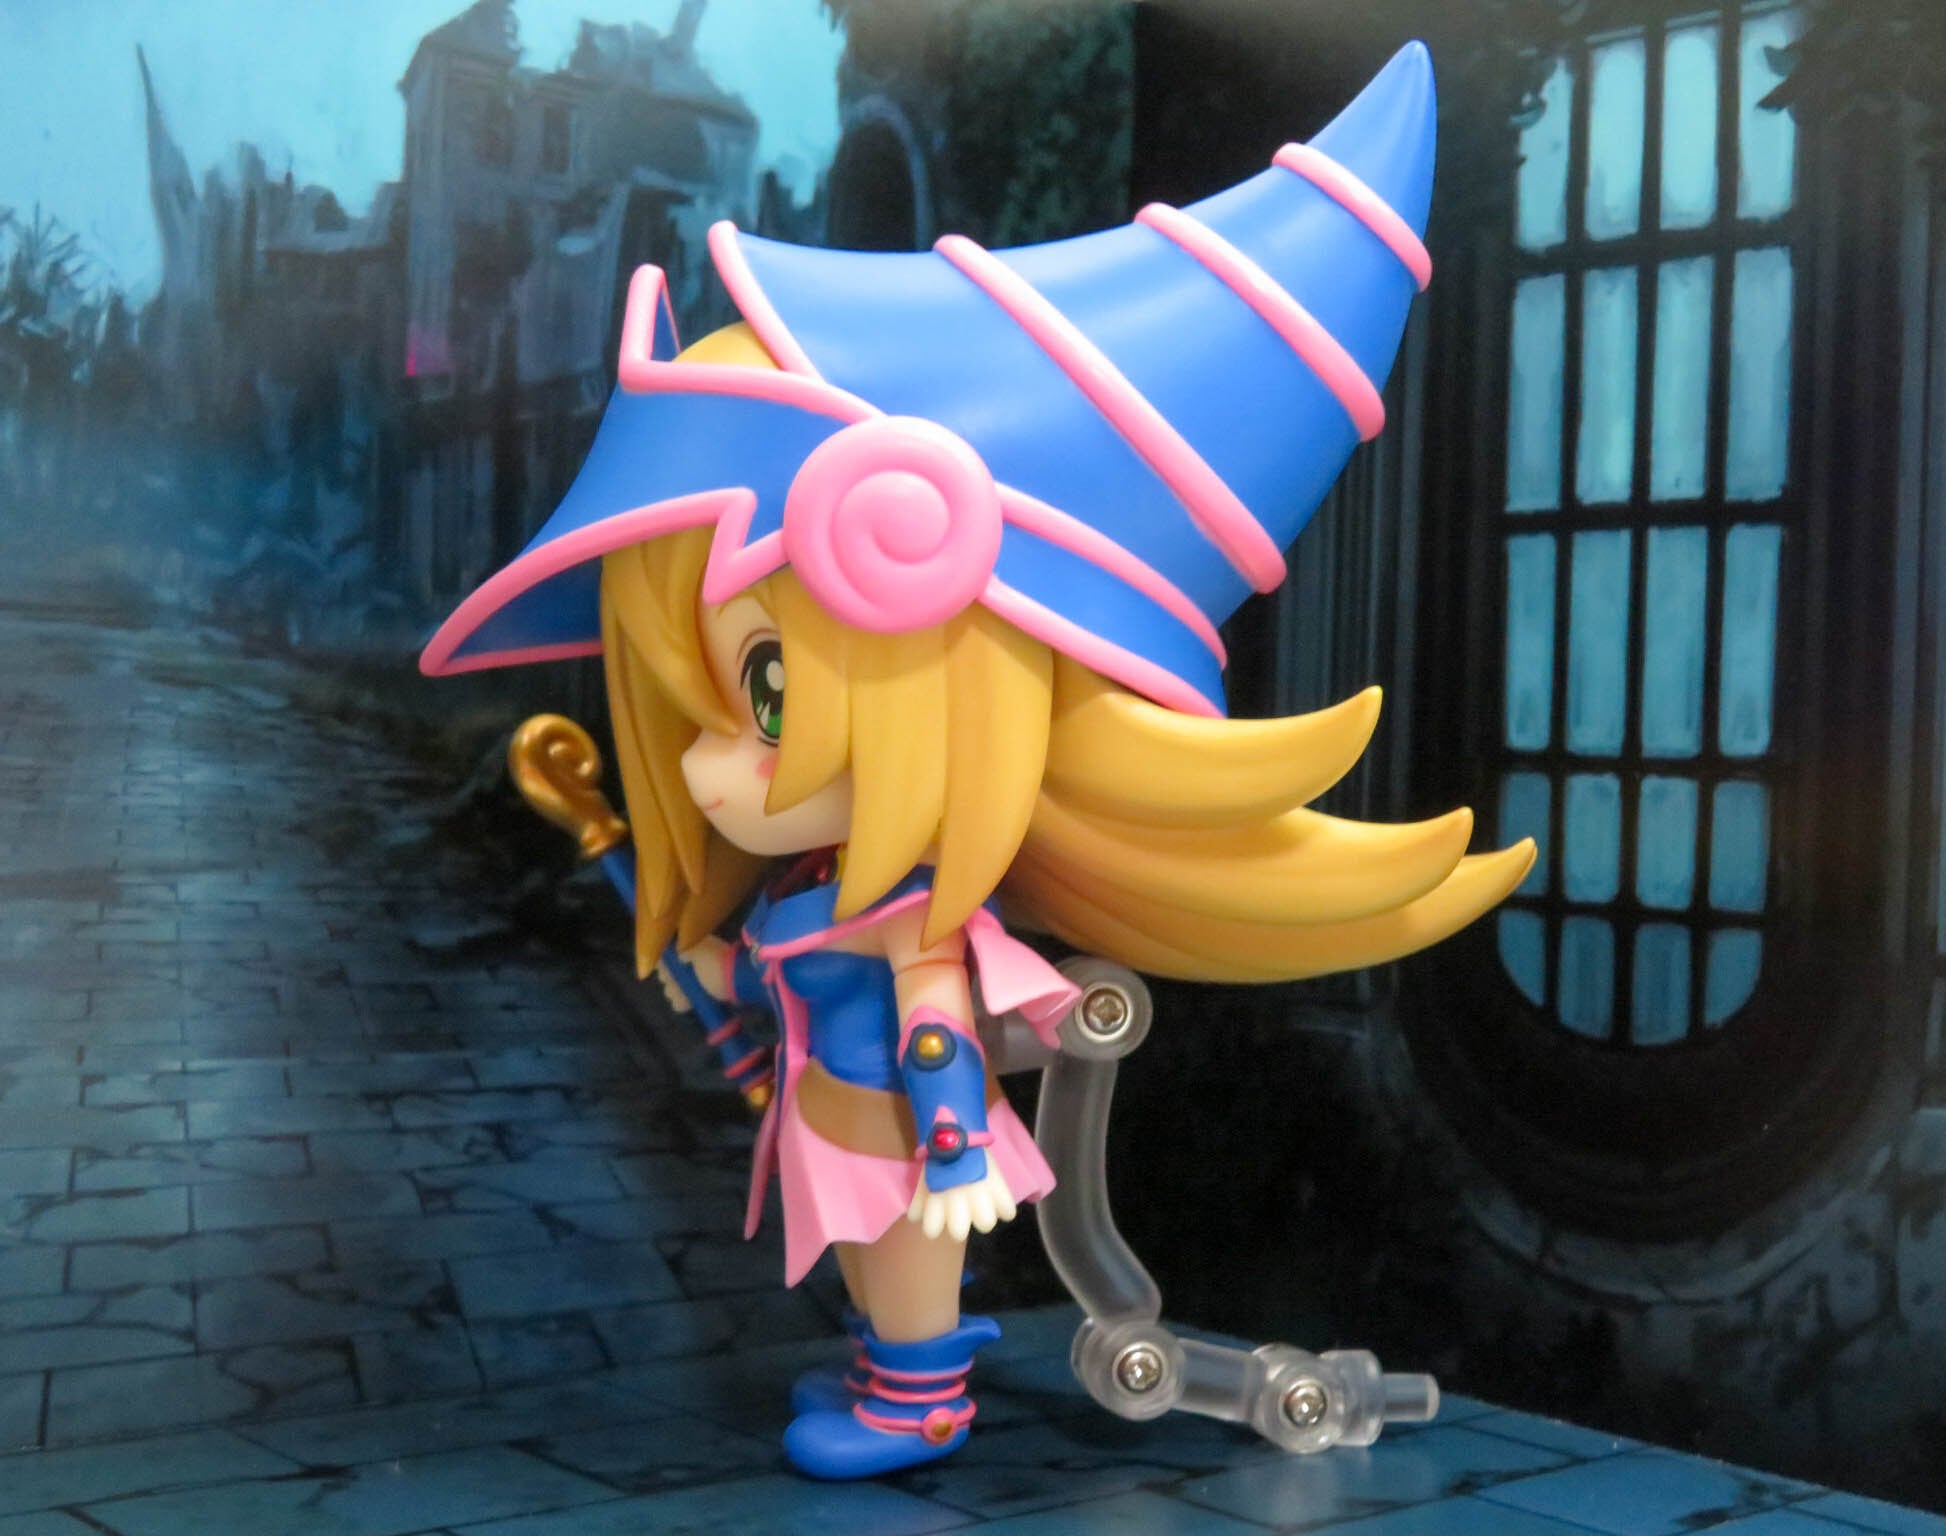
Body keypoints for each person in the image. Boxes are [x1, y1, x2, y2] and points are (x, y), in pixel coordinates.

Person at [421, 41, 1533, 1479]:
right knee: (875, 1269)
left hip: (896, 1139)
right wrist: (708, 968)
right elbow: (772, 989)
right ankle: (899, 1366)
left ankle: (918, 1399)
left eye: (764, 698)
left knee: (901, 1266)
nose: (703, 771)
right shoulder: (819, 887)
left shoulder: (905, 908)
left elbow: (937, 1018)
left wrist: (953, 1148)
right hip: (840, 1120)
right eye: (690, 711)